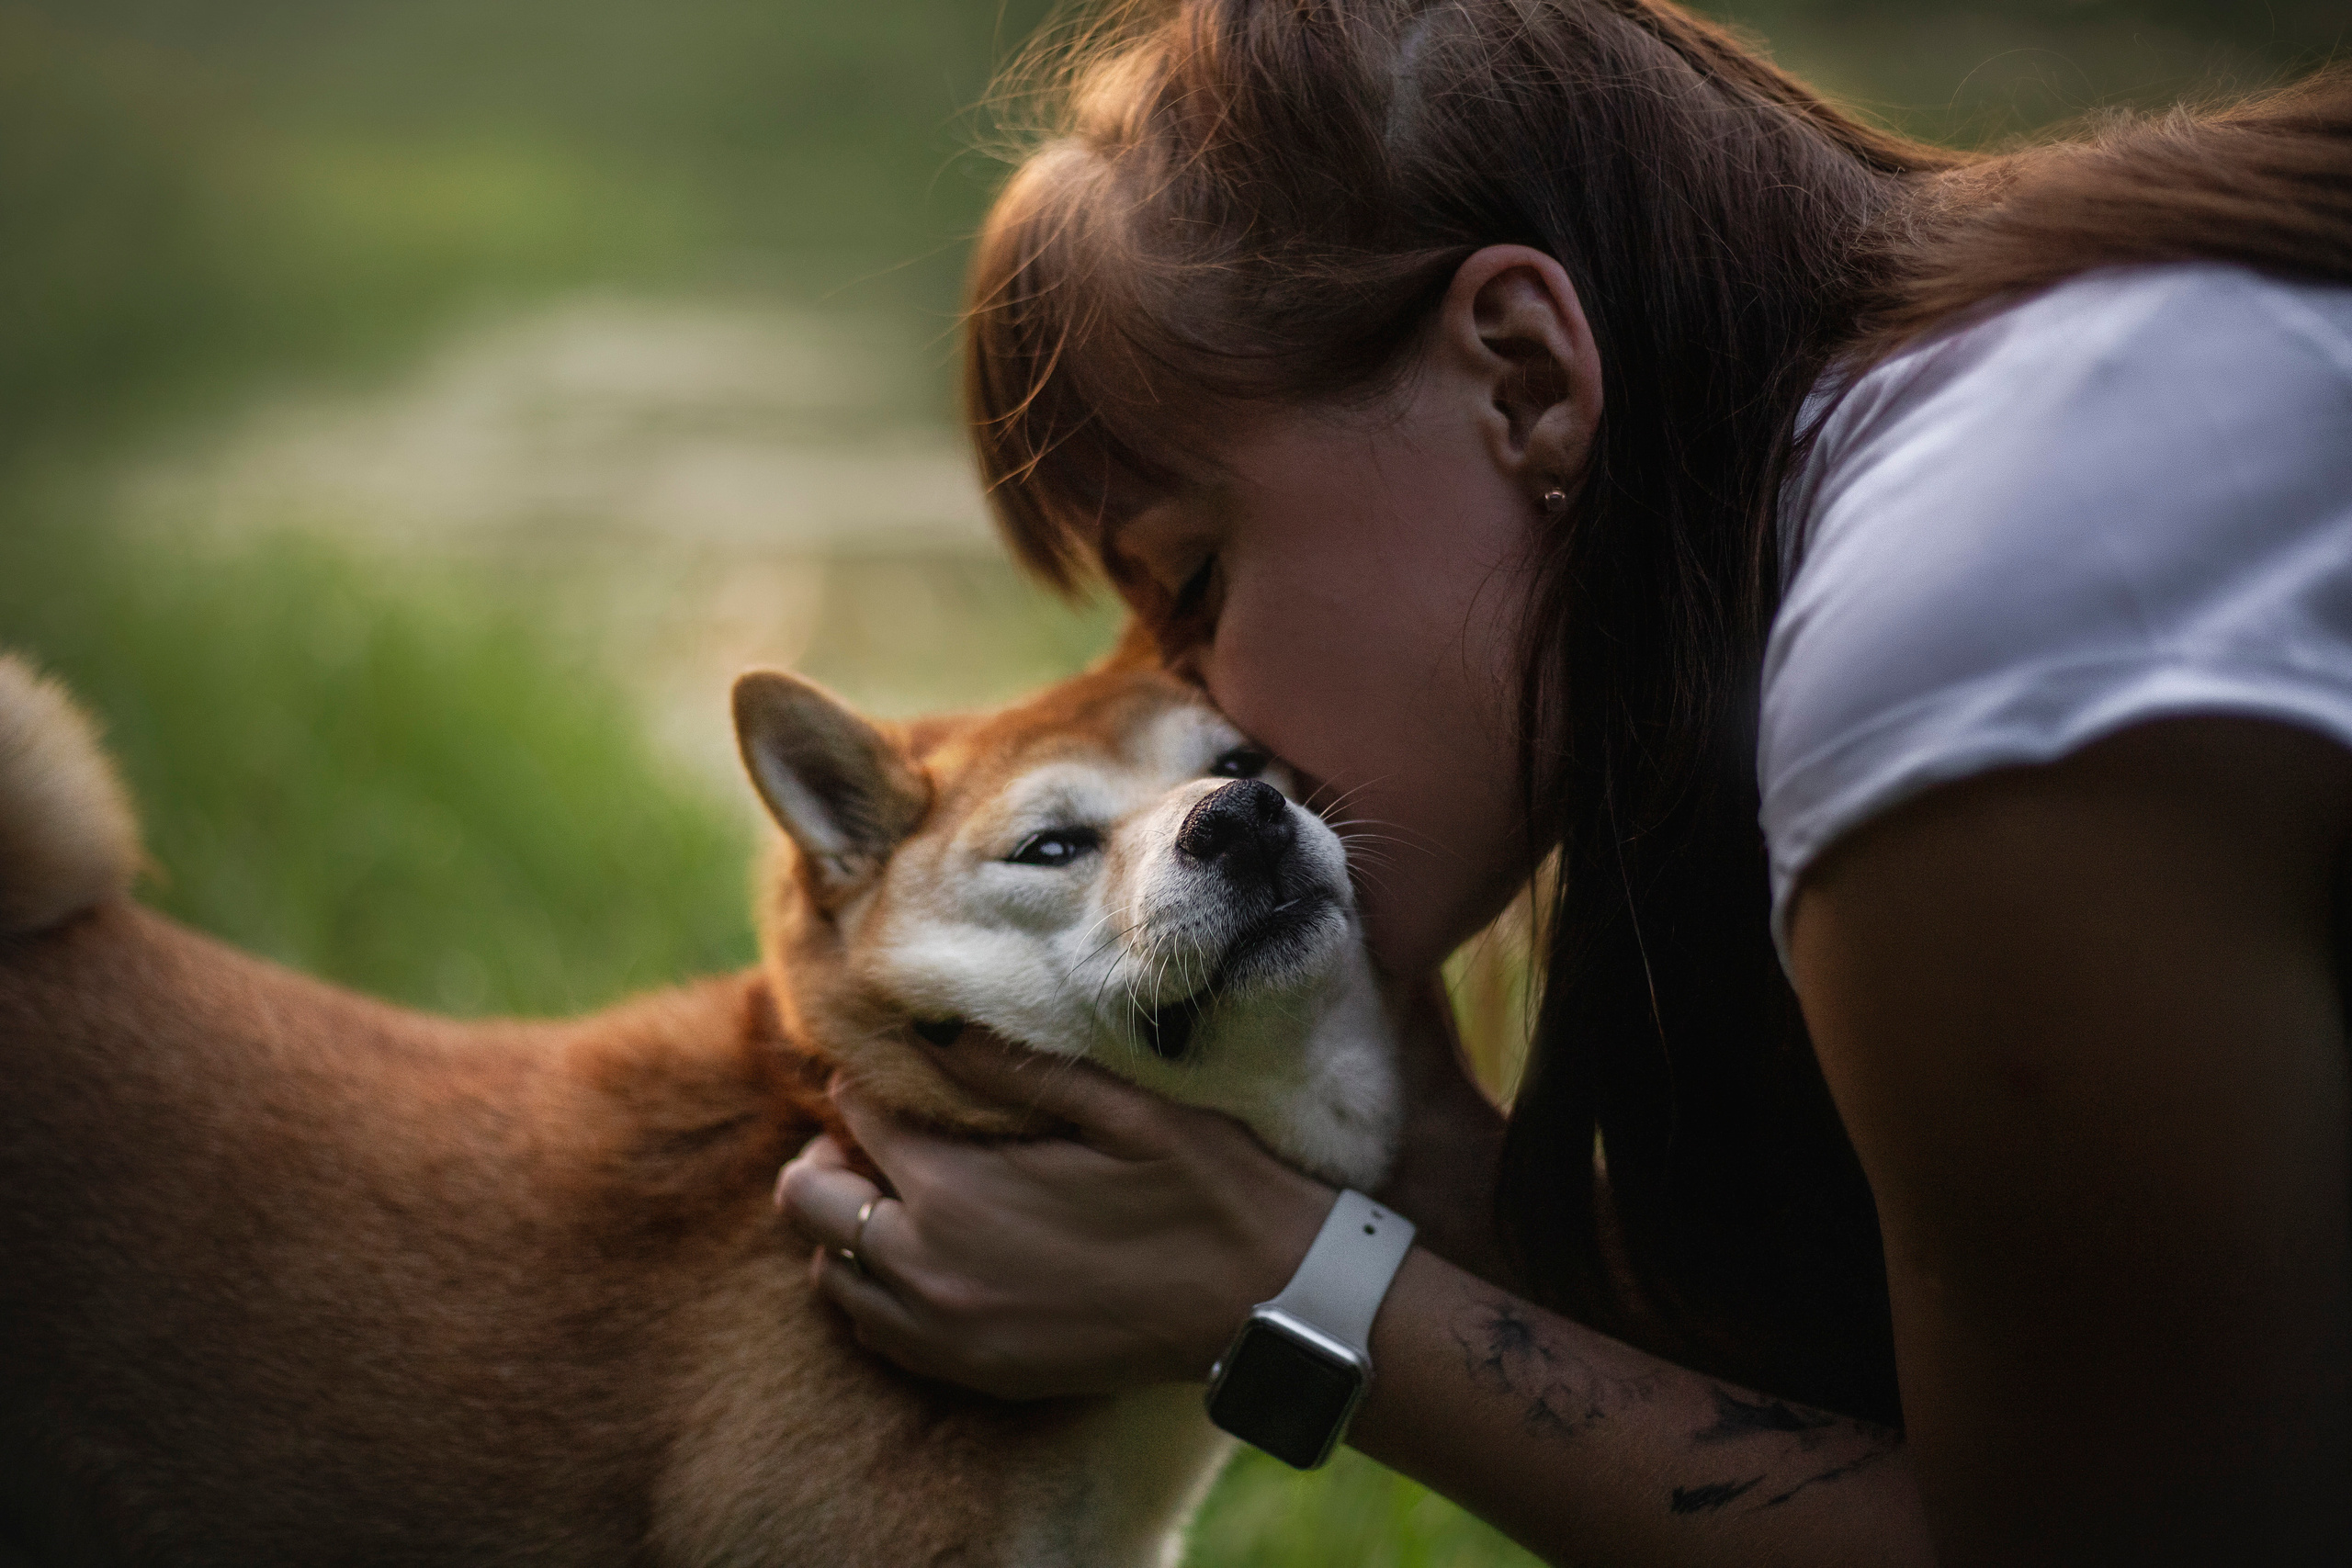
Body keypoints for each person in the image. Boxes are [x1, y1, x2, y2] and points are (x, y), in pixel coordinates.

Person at [775, 2, 2352, 1560]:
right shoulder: (2018, 387)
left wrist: (1287, 1284)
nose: (1193, 695)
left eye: (1193, 580)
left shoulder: (1976, 642)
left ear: (1525, 378)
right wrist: (1431, 1175)